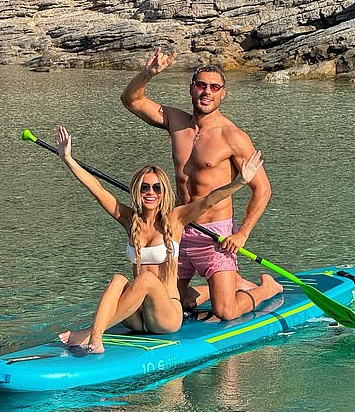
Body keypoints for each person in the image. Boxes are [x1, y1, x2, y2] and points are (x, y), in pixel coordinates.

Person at [54, 125, 265, 354]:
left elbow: (208, 201)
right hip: (136, 317)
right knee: (117, 280)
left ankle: (92, 336)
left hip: (165, 318)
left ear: (164, 192)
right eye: (144, 187)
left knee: (145, 279)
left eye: (156, 188)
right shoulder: (130, 220)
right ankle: (94, 334)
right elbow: (98, 190)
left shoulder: (175, 219)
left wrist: (239, 182)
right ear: (137, 191)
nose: (150, 192)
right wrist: (68, 159)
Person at [120, 49, 283, 320]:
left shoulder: (233, 137)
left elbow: (262, 188)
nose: (207, 91)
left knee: (226, 311)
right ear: (191, 89)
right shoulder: (176, 121)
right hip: (178, 229)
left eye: (214, 87)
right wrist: (148, 73)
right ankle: (226, 285)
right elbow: (131, 99)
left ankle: (266, 288)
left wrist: (242, 234)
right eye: (201, 85)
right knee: (171, 302)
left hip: (215, 234)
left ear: (223, 94)